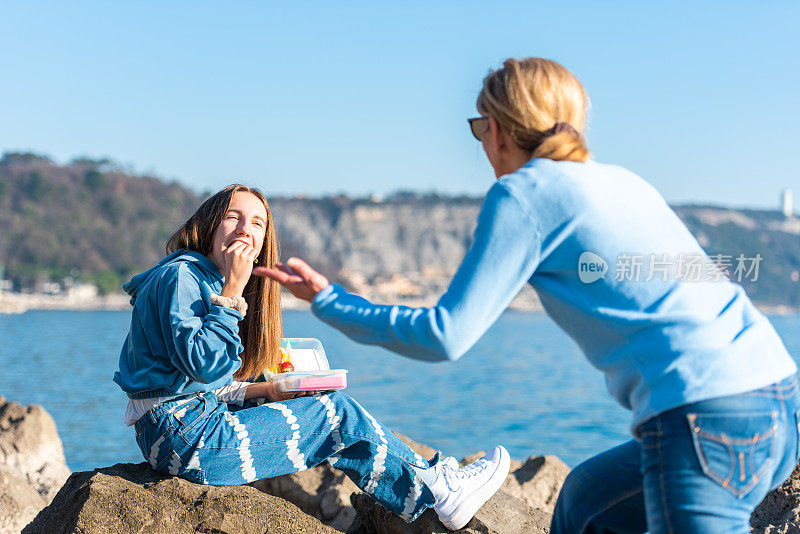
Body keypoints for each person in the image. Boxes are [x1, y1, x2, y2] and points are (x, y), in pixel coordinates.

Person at [257, 58, 800, 533]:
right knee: (584, 505)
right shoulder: (623, 182)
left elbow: (445, 335)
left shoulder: (524, 193)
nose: (481, 144)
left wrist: (331, 301)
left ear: (497, 128)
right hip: (778, 397)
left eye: (478, 128)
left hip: (701, 415)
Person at [113, 184, 511, 531]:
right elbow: (204, 364)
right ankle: (439, 491)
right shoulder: (183, 277)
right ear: (208, 225)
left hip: (181, 429)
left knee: (320, 402)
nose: (244, 230)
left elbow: (199, 381)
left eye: (256, 223)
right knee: (335, 415)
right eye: (232, 218)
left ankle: (428, 485)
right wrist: (233, 292)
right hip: (186, 438)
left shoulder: (197, 277)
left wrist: (269, 389)